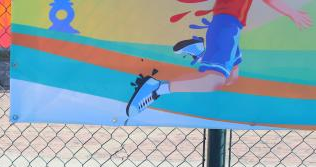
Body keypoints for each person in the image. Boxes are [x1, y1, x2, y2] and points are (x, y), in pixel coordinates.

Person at [126, 0, 311, 117]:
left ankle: (201, 52)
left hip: (230, 27)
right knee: (214, 81)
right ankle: (157, 88)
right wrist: (292, 13)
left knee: (232, 77)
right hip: (227, 26)